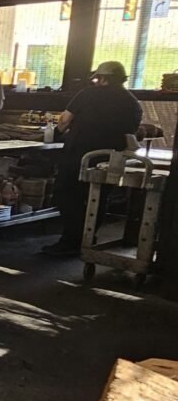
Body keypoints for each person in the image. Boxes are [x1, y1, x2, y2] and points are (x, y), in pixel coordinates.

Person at [42, 61, 143, 256]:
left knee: (67, 194)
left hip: (80, 154)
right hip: (110, 158)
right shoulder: (132, 102)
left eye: (97, 78)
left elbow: (64, 120)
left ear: (103, 78)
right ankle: (87, 237)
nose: (96, 81)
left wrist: (54, 135)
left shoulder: (88, 94)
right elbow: (131, 132)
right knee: (97, 197)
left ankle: (71, 239)